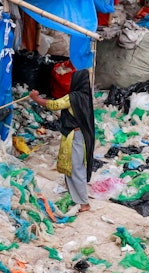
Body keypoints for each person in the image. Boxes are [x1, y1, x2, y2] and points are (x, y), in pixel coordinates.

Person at [28, 68, 97, 213]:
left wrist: (35, 98)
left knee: (75, 168)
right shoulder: (86, 97)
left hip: (75, 137)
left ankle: (84, 203)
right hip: (83, 135)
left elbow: (54, 105)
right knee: (74, 167)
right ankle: (77, 198)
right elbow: (75, 115)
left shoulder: (73, 97)